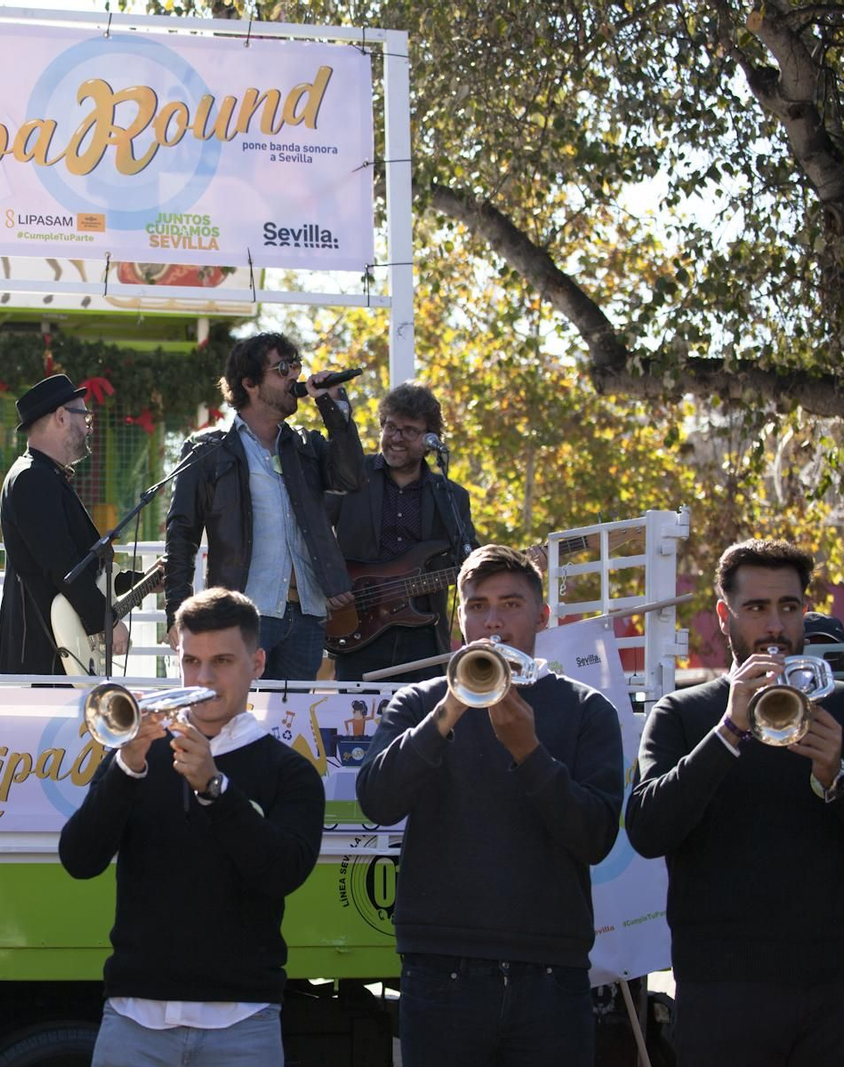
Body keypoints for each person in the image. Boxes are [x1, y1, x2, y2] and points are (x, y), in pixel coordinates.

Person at [356, 545, 622, 1066]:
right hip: (441, 969)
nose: (492, 622)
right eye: (477, 606)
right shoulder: (418, 703)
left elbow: (595, 837)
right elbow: (377, 801)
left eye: (510, 605)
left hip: (550, 973)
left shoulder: (588, 709)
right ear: (459, 620)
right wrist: (448, 712)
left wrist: (529, 751)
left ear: (542, 617)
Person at [625, 539, 844, 1065]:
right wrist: (729, 732)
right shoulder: (682, 714)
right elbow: (647, 832)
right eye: (756, 608)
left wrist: (839, 778)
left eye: (788, 607)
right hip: (722, 992)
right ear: (725, 615)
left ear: (805, 610)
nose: (775, 626)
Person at [59, 587, 324, 1065]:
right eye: (191, 661)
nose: (203, 678)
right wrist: (126, 767)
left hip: (243, 1022)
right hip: (133, 1020)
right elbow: (79, 860)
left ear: (258, 664)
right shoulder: (138, 754)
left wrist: (217, 790)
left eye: (222, 661)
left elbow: (283, 873)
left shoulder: (290, 771)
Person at [162, 332, 363, 682]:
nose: (294, 378)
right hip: (244, 614)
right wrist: (177, 613)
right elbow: (182, 533)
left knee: (292, 728)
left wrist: (333, 407)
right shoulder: (210, 449)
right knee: (236, 721)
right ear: (250, 383)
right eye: (282, 369)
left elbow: (351, 478)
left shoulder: (306, 445)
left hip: (307, 614)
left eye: (296, 367)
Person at [331, 382, 479, 682]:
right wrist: (326, 584)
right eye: (390, 427)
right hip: (356, 625)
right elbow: (312, 533)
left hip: (422, 637)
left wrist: (508, 565)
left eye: (409, 430)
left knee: (422, 724)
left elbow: (471, 558)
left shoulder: (451, 496)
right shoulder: (351, 476)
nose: (396, 438)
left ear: (429, 439)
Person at [0, 373, 130, 675]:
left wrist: (141, 579)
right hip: (42, 655)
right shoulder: (32, 478)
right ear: (60, 417)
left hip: (53, 652)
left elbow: (83, 565)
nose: (88, 425)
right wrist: (105, 622)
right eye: (83, 415)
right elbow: (62, 565)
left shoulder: (44, 475)